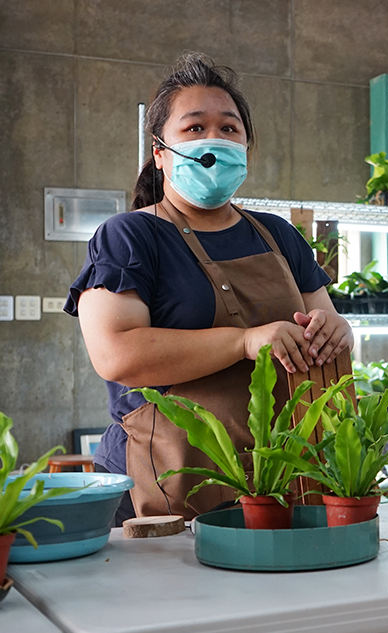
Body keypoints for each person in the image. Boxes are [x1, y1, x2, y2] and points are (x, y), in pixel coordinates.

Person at [64, 52, 353, 524]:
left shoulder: (277, 234)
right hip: (167, 479)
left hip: (282, 472)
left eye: (229, 128)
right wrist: (244, 342)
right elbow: (117, 355)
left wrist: (335, 330)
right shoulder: (130, 236)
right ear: (160, 151)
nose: (214, 139)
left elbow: (326, 323)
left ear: (246, 147)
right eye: (195, 128)